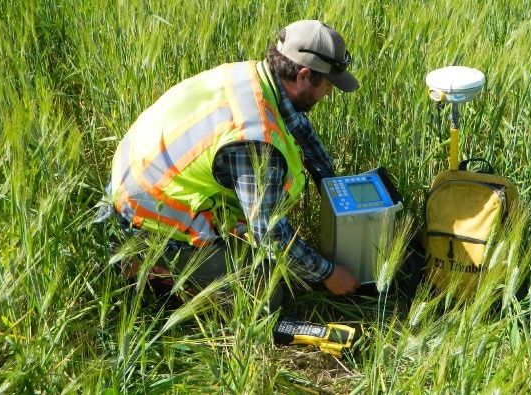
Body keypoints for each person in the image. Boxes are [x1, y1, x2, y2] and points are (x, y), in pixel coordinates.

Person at [102, 20, 361, 305]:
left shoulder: (255, 76)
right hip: (145, 218)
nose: (329, 93)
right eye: (327, 84)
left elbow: (301, 130)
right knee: (265, 295)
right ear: (303, 75)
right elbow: (269, 232)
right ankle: (150, 267)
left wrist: (335, 189)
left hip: (134, 175)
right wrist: (326, 273)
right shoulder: (252, 139)